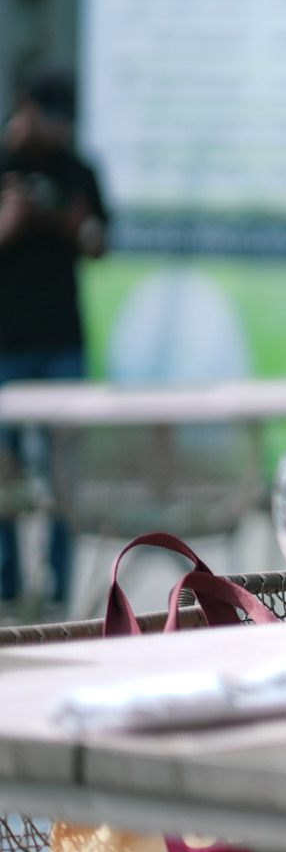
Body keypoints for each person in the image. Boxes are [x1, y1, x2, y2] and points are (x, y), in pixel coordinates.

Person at [0, 69, 104, 608]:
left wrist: (71, 225)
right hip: (6, 345)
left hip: (63, 340)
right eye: (49, 118)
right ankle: (7, 588)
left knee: (66, 472)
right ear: (25, 105)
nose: (57, 131)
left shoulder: (77, 170)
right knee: (3, 473)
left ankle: (60, 594)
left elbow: (100, 244)